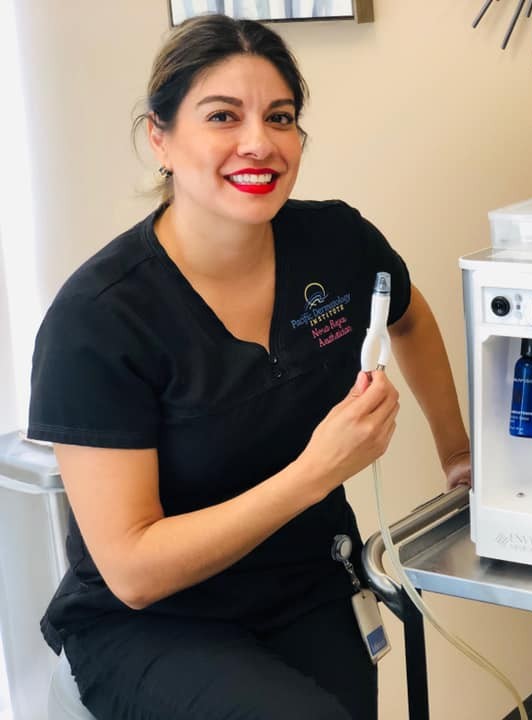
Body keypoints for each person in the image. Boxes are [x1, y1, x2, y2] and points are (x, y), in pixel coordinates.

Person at [28, 14, 470, 720]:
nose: (259, 142)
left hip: (306, 584)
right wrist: (316, 471)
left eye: (281, 116)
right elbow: (134, 572)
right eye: (223, 116)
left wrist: (459, 455)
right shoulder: (101, 319)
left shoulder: (335, 242)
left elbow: (408, 314)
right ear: (161, 137)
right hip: (158, 624)